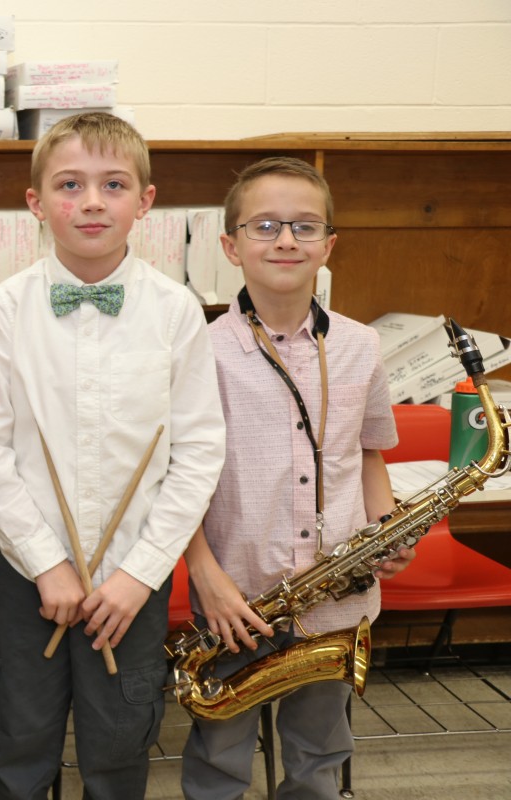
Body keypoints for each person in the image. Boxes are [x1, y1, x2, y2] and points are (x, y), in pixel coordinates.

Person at [0, 111, 227, 799]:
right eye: (69, 184)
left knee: (119, 745)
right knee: (20, 739)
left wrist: (140, 575)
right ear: (36, 202)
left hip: (132, 581)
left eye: (112, 185)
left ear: (145, 201)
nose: (90, 201)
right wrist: (47, 564)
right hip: (30, 575)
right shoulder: (6, 307)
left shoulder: (176, 311)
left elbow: (198, 453)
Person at [179, 156, 415, 799]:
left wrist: (386, 527)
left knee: (319, 753)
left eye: (305, 227)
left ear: (329, 246)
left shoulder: (361, 346)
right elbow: (178, 478)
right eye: (265, 226)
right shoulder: (197, 349)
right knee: (221, 755)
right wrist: (208, 577)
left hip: (337, 595)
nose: (286, 240)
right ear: (231, 246)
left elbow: (369, 453)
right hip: (237, 599)